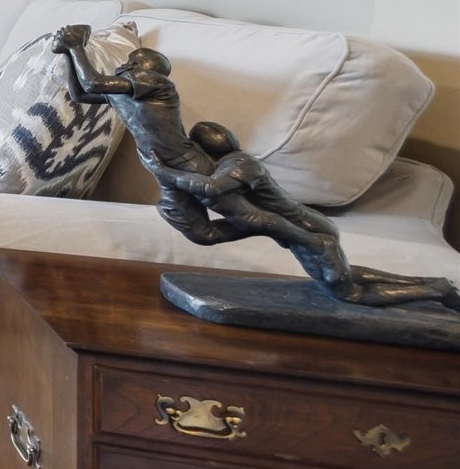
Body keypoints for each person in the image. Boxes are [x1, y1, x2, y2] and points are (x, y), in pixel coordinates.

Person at [52, 25, 460, 312]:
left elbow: (99, 83)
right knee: (201, 233)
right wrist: (68, 55)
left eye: (139, 62)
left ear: (153, 69)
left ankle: (432, 290)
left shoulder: (155, 87)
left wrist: (77, 45)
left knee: (334, 280)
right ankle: (434, 287)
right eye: (130, 63)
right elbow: (84, 90)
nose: (130, 66)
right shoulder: (127, 93)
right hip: (170, 169)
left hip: (179, 168)